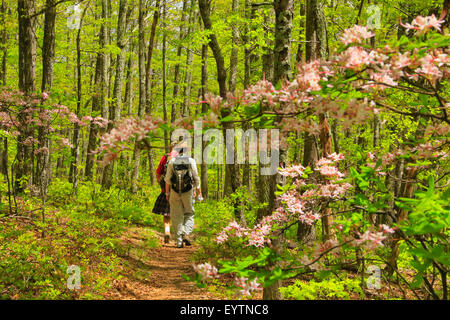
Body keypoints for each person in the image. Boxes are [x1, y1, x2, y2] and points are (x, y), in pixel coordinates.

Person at [165, 142, 202, 248]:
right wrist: (198, 191)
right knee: (189, 213)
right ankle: (186, 232)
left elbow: (167, 179)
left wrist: (167, 193)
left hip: (175, 191)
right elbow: (196, 177)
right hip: (188, 191)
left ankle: (179, 241)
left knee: (176, 215)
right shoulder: (191, 161)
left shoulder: (171, 161)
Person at [152, 142, 178, 244]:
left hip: (166, 190)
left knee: (166, 214)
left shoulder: (166, 157)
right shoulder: (184, 158)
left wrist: (162, 185)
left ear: (171, 147)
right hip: (180, 192)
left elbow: (158, 173)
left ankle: (167, 232)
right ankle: (179, 235)